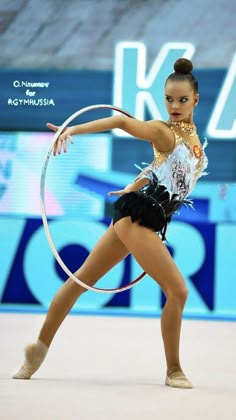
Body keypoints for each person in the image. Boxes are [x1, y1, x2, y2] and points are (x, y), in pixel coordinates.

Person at [12, 58, 208, 389]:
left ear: (195, 100)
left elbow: (163, 169)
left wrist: (132, 185)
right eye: (169, 99)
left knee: (79, 281)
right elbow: (119, 121)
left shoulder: (191, 138)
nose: (174, 106)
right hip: (138, 219)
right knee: (178, 290)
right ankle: (174, 370)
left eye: (182, 100)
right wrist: (71, 129)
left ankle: (37, 353)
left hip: (139, 214)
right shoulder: (163, 130)